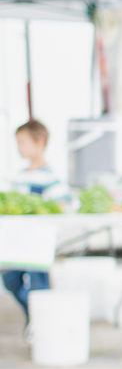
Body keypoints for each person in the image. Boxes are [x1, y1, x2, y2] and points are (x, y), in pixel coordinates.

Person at [1, 118, 66, 322]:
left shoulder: (50, 177)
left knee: (39, 285)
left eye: (22, 142)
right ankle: (35, 317)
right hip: (17, 243)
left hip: (38, 244)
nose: (19, 147)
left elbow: (62, 206)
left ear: (39, 143)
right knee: (10, 279)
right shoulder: (19, 176)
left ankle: (43, 323)